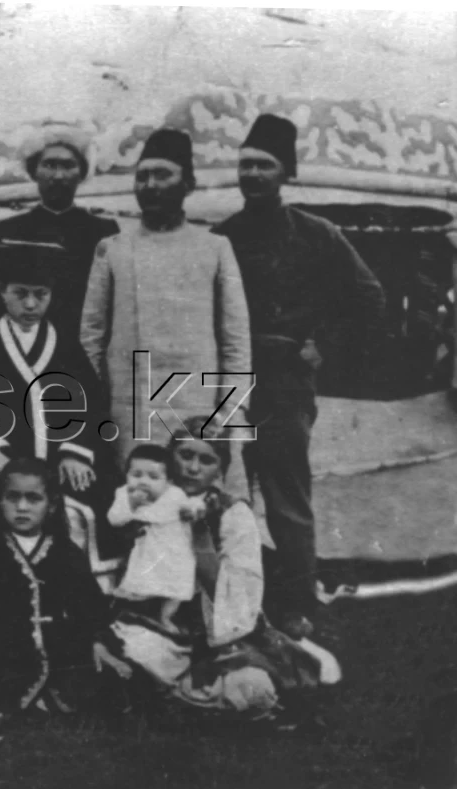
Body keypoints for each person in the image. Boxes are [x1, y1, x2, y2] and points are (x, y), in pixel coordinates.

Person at [213, 114, 388, 638]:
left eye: (264, 165)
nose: (252, 174)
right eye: (245, 165)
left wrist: (322, 345)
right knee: (222, 484)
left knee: (287, 496)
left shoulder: (318, 234)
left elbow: (369, 297)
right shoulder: (221, 237)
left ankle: (295, 605)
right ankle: (226, 601)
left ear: (286, 172)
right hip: (227, 378)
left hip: (286, 382)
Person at [109, 417, 341, 721]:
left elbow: (233, 594)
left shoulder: (232, 513)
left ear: (221, 468)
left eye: (206, 460)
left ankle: (175, 699)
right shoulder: (151, 500)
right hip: (161, 621)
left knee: (253, 687)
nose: (193, 468)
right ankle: (178, 698)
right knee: (136, 652)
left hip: (218, 628)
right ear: (171, 457)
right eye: (185, 455)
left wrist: (201, 536)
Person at [80, 128, 253, 489]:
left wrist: (229, 418)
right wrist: (95, 414)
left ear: (187, 184)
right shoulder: (112, 248)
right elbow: (91, 340)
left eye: (163, 175)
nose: (151, 184)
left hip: (197, 411)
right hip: (129, 411)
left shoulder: (215, 248)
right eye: (142, 176)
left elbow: (236, 343)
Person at [0, 457, 131, 713]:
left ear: (51, 505)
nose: (22, 507)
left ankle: (47, 701)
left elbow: (90, 608)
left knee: (106, 686)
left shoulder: (66, 552)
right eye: (12, 497)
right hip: (4, 653)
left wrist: (98, 642)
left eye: (33, 498)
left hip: (61, 652)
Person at [0, 244, 115, 505]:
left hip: (59, 458)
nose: (30, 304)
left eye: (40, 295)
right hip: (4, 457)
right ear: (2, 291)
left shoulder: (65, 343)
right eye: (20, 294)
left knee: (91, 495)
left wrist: (75, 451)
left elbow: (90, 400)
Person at [0, 124, 120, 344]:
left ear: (82, 173)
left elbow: (112, 307)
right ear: (34, 172)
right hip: (23, 345)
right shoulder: (9, 229)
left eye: (68, 166)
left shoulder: (102, 230)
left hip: (81, 348)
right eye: (49, 165)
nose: (58, 175)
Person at [107, 444, 199, 634]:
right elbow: (114, 519)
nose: (143, 482)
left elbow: (191, 505)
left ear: (169, 480)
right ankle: (135, 615)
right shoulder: (124, 493)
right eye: (136, 475)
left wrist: (192, 510)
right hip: (148, 550)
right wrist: (131, 504)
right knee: (140, 584)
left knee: (177, 589)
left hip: (176, 551)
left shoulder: (174, 494)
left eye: (153, 477)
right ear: (126, 475)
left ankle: (166, 616)